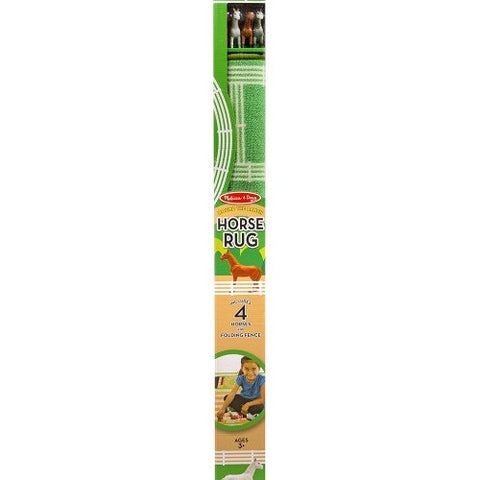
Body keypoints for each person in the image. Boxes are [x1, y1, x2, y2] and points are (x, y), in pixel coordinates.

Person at [216, 356, 265, 421]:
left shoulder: (262, 379)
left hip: (255, 402)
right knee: (227, 397)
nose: (250, 373)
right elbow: (232, 394)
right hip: (243, 399)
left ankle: (239, 412)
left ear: (259, 369)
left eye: (253, 369)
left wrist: (247, 404)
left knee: (261, 407)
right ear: (242, 369)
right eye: (246, 369)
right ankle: (247, 414)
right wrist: (223, 408)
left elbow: (263, 399)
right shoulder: (240, 378)